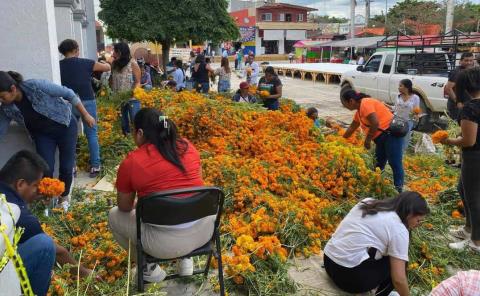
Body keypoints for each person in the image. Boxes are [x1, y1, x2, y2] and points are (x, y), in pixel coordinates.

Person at [109, 108, 215, 282]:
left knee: (114, 215)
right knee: (185, 202)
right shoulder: (189, 147)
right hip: (203, 233)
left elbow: (124, 207)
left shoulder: (132, 161)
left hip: (163, 244)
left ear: (140, 133)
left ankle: (149, 269)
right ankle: (186, 261)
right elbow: (197, 188)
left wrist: (144, 202)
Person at [0, 151, 94, 295]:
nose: (39, 189)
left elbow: (21, 196)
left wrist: (31, 194)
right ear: (20, 184)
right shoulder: (19, 216)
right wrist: (84, 272)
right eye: (36, 185)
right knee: (44, 246)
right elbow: (60, 253)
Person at [0, 71, 95, 207]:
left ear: (13, 89)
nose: (1, 101)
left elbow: (68, 93)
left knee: (66, 167)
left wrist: (85, 115)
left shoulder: (35, 86)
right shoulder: (6, 108)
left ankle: (63, 197)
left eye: (2, 97)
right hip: (43, 135)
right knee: (45, 168)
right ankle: (48, 197)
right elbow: (1, 130)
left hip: (65, 125)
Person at [324, 192, 430, 296]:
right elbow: (399, 280)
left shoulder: (368, 202)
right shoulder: (399, 229)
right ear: (410, 214)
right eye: (418, 220)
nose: (418, 225)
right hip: (347, 279)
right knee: (399, 263)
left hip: (328, 261)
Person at [441, 67, 480, 253]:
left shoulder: (471, 108)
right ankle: (468, 229)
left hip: (474, 156)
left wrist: (449, 140)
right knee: (462, 190)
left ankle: (476, 242)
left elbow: (468, 141)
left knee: (474, 198)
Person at [58, 39, 111, 178]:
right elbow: (107, 68)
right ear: (75, 49)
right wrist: (105, 62)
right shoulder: (86, 63)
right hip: (87, 100)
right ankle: (95, 166)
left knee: (70, 136)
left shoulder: (58, 66)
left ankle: (73, 167)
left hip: (68, 103)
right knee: (91, 134)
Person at [341, 90, 404, 192]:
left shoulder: (365, 103)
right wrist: (340, 140)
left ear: (351, 101)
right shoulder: (358, 113)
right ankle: (377, 185)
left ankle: (399, 190)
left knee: (394, 163)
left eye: (345, 104)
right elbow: (351, 128)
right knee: (378, 163)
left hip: (390, 134)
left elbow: (375, 123)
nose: (345, 107)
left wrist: (367, 140)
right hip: (381, 138)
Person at [109, 42, 141, 135]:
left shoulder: (133, 63)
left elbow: (138, 81)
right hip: (119, 99)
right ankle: (126, 138)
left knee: (135, 121)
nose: (113, 54)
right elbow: (111, 80)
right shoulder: (114, 64)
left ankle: (136, 139)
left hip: (132, 98)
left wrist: (133, 92)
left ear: (119, 52)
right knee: (123, 122)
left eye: (114, 51)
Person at [444, 52, 475, 121]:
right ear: (460, 61)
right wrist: (458, 102)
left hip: (467, 105)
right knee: (457, 127)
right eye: (466, 60)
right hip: (457, 106)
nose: (469, 62)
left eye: (471, 60)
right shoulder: (457, 72)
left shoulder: (471, 72)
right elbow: (448, 88)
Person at [394, 79, 420, 152]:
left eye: (400, 86)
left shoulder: (415, 98)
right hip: (397, 120)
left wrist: (416, 116)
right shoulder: (398, 96)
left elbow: (416, 110)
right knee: (396, 138)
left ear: (406, 87)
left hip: (408, 122)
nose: (398, 88)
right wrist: (385, 105)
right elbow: (395, 108)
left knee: (405, 139)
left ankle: (402, 155)